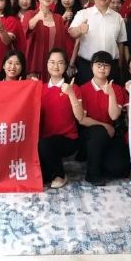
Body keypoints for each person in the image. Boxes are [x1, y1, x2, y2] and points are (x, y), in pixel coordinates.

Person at [76, 51, 130, 186]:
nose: (102, 68)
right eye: (99, 65)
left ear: (110, 68)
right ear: (92, 66)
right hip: (90, 133)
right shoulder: (83, 89)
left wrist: (111, 94)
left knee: (120, 169)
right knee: (99, 131)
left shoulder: (116, 89)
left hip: (111, 134)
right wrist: (105, 126)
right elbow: (82, 119)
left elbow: (114, 116)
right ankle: (92, 174)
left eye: (106, 66)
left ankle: (99, 161)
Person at [38, 48, 84, 188]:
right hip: (45, 140)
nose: (55, 66)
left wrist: (70, 94)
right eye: (52, 62)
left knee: (45, 144)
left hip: (68, 139)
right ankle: (51, 171)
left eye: (60, 62)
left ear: (65, 65)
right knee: (42, 178)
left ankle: (60, 175)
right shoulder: (40, 88)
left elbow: (80, 116)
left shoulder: (73, 88)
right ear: (47, 64)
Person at [69, 0, 127, 84]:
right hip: (87, 66)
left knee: (110, 92)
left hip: (111, 66)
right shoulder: (83, 13)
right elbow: (72, 33)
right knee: (86, 93)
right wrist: (79, 29)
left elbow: (120, 43)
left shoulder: (118, 18)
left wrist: (119, 65)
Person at [22, 0, 68, 81]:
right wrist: (37, 17)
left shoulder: (58, 18)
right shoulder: (30, 14)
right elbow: (28, 29)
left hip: (54, 67)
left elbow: (62, 44)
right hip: (35, 64)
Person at [55, 0, 82, 72]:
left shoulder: (80, 15)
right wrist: (62, 18)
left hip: (73, 58)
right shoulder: (55, 14)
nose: (67, 0)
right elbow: (53, 34)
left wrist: (71, 64)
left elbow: (78, 42)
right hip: (57, 57)